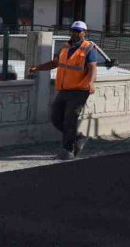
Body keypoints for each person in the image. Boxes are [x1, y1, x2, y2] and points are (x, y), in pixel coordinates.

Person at [28, 21, 98, 160]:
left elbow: (92, 68)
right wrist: (38, 68)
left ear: (85, 33)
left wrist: (91, 83)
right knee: (55, 118)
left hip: (80, 90)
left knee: (69, 120)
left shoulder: (89, 48)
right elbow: (55, 63)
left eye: (78, 31)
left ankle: (68, 150)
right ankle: (78, 138)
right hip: (64, 89)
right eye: (73, 30)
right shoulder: (64, 47)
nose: (75, 33)